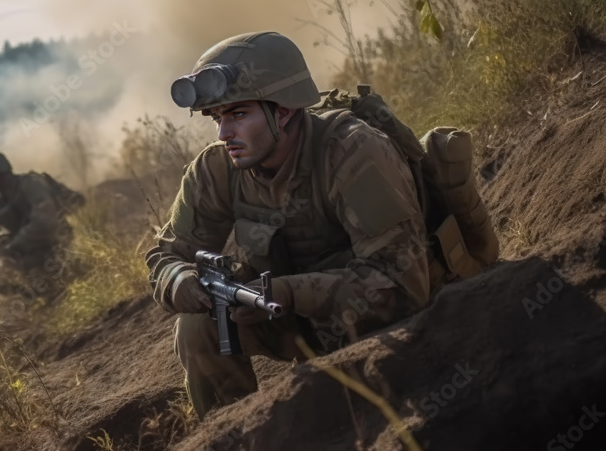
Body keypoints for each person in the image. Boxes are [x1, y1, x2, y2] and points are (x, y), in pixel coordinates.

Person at [146, 31, 431, 419]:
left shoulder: (351, 152)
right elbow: (165, 254)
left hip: (380, 320)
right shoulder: (216, 169)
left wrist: (288, 292)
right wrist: (180, 281)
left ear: (283, 111)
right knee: (196, 327)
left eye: (238, 115)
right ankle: (230, 445)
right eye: (217, 118)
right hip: (284, 315)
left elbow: (405, 285)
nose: (223, 133)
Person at [0, 150, 84, 270]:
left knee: (10, 267)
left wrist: (13, 247)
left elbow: (45, 221)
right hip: (27, 250)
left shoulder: (31, 184)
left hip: (56, 245)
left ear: (0, 173)